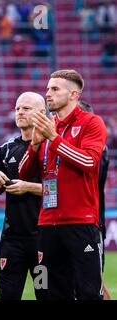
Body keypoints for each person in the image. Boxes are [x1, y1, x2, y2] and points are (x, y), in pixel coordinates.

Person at [19, 70, 107, 300]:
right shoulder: (49, 126)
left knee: (89, 293)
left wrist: (54, 139)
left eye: (55, 89)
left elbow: (88, 162)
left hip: (80, 223)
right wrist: (35, 146)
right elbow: (23, 172)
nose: (48, 94)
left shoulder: (92, 122)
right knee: (46, 292)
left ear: (73, 94)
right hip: (47, 224)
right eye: (48, 88)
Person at [0, 92, 46, 300]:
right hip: (12, 240)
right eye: (18, 108)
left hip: (43, 238)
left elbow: (62, 190)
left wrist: (28, 187)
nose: (20, 112)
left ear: (41, 113)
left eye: (26, 108)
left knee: (46, 295)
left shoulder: (50, 148)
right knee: (8, 296)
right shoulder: (7, 148)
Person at [78, 100, 111, 300]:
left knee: (93, 284)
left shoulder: (98, 150)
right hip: (64, 223)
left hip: (90, 222)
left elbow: (87, 180)